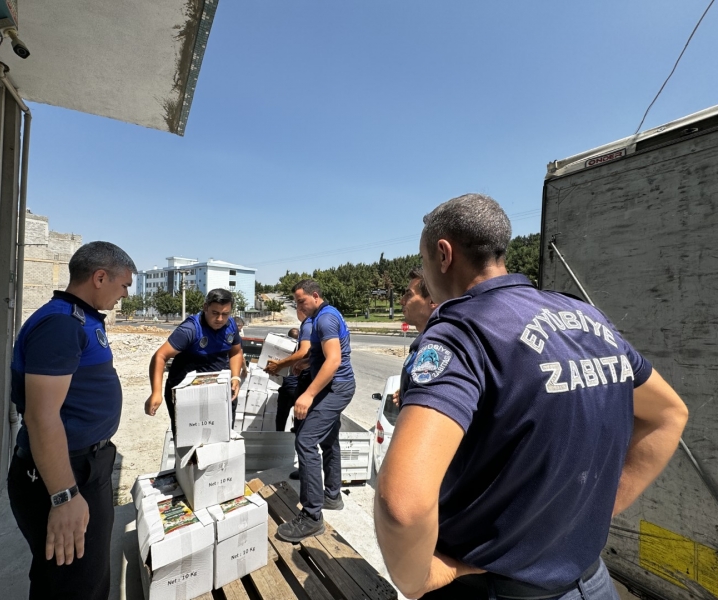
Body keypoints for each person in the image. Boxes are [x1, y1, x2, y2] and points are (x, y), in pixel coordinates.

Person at [374, 194, 688, 600]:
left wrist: (417, 580)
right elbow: (669, 415)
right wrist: (596, 512)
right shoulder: (588, 319)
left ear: (444, 254)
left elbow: (402, 505)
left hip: (492, 587)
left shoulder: (459, 333)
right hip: (592, 582)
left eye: (423, 263)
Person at [8, 241, 136, 600]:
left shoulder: (80, 319)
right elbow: (41, 416)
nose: (125, 294)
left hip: (85, 464)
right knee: (79, 584)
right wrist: (64, 496)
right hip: (66, 471)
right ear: (99, 277)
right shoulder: (61, 325)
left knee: (67, 577)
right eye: (124, 285)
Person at [277, 280, 356, 543]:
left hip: (336, 388)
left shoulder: (324, 319)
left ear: (315, 295)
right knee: (329, 439)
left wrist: (308, 395)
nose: (299, 307)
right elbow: (326, 355)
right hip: (334, 385)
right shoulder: (323, 315)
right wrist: (307, 362)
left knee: (306, 440)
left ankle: (312, 516)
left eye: (301, 301)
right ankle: (331, 495)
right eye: (296, 303)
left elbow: (334, 360)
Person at [145, 288, 244, 428]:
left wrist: (235, 377)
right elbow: (160, 356)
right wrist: (156, 392)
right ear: (205, 307)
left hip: (218, 390)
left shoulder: (231, 325)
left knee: (222, 437)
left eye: (225, 314)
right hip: (187, 393)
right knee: (190, 443)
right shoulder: (190, 330)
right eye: (215, 313)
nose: (220, 319)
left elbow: (236, 352)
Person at [394, 267, 437, 408]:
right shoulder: (424, 341)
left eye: (409, 295)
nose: (402, 301)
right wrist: (406, 392)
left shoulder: (435, 347)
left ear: (432, 301)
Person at [264, 308, 313, 431]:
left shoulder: (285, 350)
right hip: (301, 390)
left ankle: (279, 432)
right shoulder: (307, 353)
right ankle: (297, 430)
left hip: (288, 389)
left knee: (281, 416)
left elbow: (277, 371)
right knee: (300, 415)